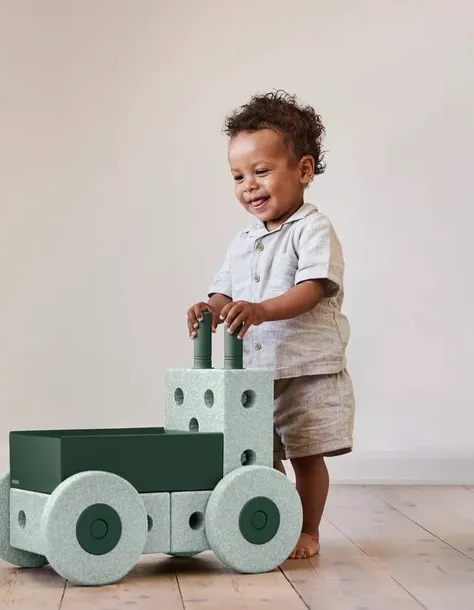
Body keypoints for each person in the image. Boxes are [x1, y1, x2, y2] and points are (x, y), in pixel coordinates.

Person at [186, 90, 354, 559]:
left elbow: (313, 288)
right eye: (238, 176)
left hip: (306, 369)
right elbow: (224, 291)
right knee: (259, 454)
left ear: (303, 170)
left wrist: (260, 310)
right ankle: (278, 524)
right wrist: (209, 308)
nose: (249, 186)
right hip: (257, 376)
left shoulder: (312, 228)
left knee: (305, 454)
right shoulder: (243, 239)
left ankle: (308, 531)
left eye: (261, 171)